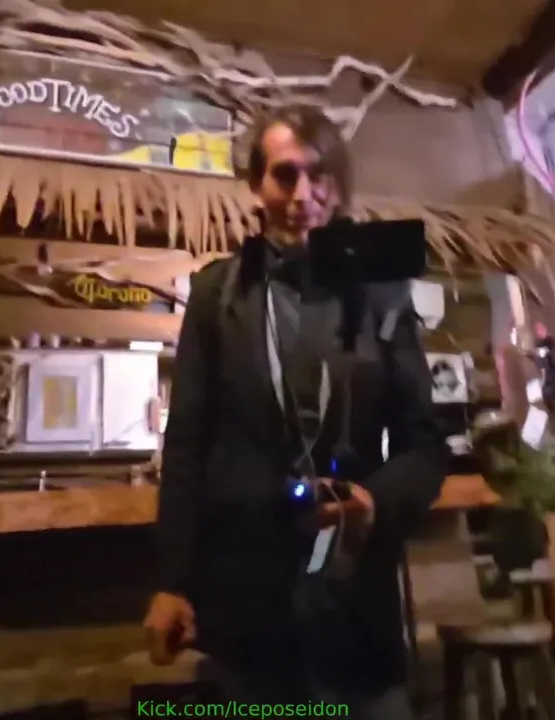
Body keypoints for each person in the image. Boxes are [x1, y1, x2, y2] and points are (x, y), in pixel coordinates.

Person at [142, 105, 447, 718]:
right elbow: (187, 447)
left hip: (356, 607)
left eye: (319, 175)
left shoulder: (382, 293)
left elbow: (426, 445)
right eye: (285, 175)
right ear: (257, 186)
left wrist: (376, 503)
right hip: (249, 610)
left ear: (338, 185)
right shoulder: (216, 292)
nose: (303, 195)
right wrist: (173, 581)